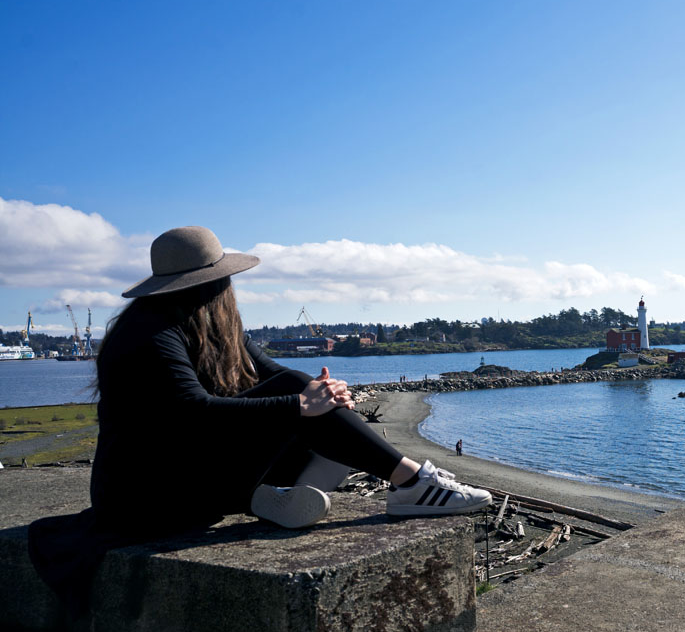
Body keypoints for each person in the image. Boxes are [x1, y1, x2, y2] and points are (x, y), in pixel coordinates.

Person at [29, 226, 490, 612]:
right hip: (146, 499)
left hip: (186, 477)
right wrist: (301, 405)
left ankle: (277, 495)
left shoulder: (203, 324)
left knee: (298, 387)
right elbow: (194, 413)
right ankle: (411, 483)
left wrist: (325, 392)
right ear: (213, 283)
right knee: (295, 396)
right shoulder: (148, 336)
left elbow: (274, 375)